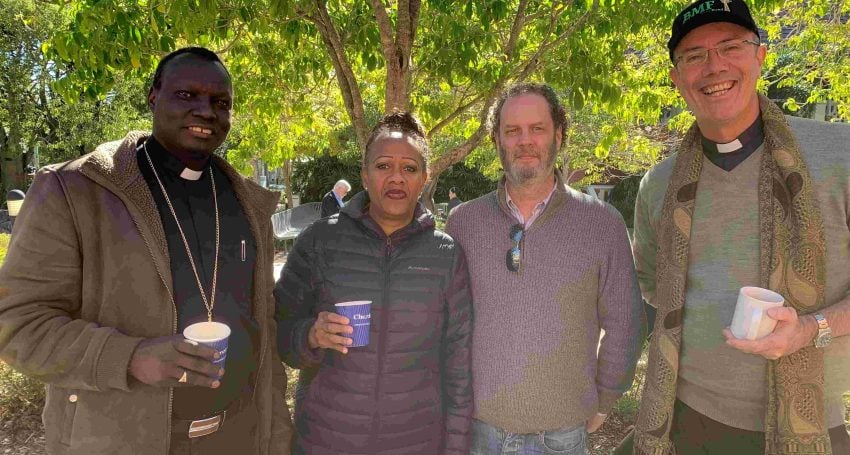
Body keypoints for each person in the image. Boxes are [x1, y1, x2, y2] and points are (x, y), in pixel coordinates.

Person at [0, 47, 293, 454]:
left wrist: (276, 436)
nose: (207, 112)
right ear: (153, 96)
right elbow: (16, 324)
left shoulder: (248, 203)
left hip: (240, 437)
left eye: (220, 103)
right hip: (125, 442)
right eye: (187, 95)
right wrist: (130, 356)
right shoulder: (74, 191)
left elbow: (264, 332)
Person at [628, 1, 850, 453]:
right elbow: (650, 281)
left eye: (730, 46)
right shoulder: (660, 183)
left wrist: (810, 328)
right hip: (685, 420)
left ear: (760, 57)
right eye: (693, 56)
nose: (714, 67)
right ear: (676, 78)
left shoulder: (839, 155)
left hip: (806, 425)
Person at [446, 82, 643, 455]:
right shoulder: (463, 223)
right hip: (479, 432)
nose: (525, 141)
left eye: (537, 128)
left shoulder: (602, 223)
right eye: (512, 131)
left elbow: (626, 319)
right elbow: (447, 323)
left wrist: (605, 399)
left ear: (559, 134)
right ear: (497, 141)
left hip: (563, 436)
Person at [275, 112, 473, 454]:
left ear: (424, 178)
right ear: (365, 175)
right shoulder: (320, 241)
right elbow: (279, 333)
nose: (396, 178)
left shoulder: (446, 254)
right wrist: (310, 335)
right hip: (328, 439)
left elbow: (459, 366)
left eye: (409, 168)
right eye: (383, 166)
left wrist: (455, 448)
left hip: (417, 442)